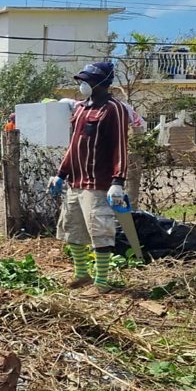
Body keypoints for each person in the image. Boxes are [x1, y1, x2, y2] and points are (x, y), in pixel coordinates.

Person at [48, 61, 130, 292]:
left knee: (99, 232)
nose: (83, 84)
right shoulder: (81, 109)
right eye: (83, 80)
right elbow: (73, 146)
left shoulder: (113, 109)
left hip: (98, 183)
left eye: (88, 80)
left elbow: (120, 146)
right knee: (72, 229)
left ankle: (101, 283)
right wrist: (60, 174)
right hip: (75, 182)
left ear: (102, 83)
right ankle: (82, 274)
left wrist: (118, 181)